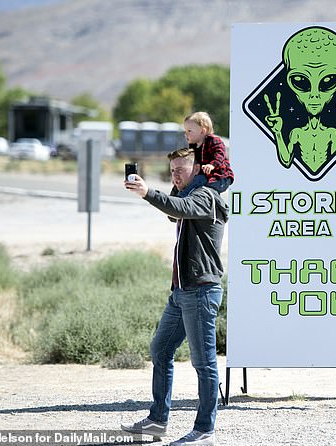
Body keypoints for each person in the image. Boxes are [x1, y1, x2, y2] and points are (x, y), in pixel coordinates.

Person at [121, 147, 228, 446]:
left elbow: (179, 208)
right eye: (172, 171)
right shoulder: (187, 194)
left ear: (198, 170)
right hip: (181, 293)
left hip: (201, 292)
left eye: (181, 170)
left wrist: (147, 192)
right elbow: (174, 210)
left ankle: (205, 429)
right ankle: (157, 421)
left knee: (204, 363)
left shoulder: (205, 197)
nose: (176, 175)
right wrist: (171, 185)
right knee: (160, 350)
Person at [184, 111, 234, 193]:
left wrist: (212, 165)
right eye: (185, 131)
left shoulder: (213, 141)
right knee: (188, 182)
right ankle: (176, 197)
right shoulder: (193, 146)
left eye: (189, 131)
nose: (186, 134)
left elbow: (219, 155)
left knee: (198, 181)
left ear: (202, 131)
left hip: (220, 178)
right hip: (206, 178)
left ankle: (182, 199)